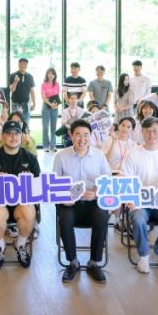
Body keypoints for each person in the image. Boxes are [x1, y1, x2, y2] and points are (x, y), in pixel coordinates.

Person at [54, 119, 112, 283]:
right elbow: (53, 185)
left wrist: (97, 194)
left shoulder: (99, 156)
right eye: (78, 134)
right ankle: (73, 262)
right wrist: (64, 197)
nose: (82, 139)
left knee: (102, 216)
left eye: (86, 135)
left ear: (90, 136)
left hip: (93, 201)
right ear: (71, 135)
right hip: (69, 203)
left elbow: (108, 182)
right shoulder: (61, 156)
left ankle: (94, 262)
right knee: (64, 219)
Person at [122, 117, 158, 274]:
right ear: (142, 132)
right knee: (138, 218)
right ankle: (144, 255)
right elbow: (125, 180)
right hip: (140, 202)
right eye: (147, 131)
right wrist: (130, 199)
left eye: (155, 131)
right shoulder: (132, 154)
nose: (151, 134)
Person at [0, 121, 41, 269]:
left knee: (29, 209)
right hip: (0, 204)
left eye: (16, 133)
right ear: (2, 136)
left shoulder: (30, 158)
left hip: (22, 204)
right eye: (9, 133)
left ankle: (20, 244)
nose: (13, 137)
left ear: (21, 136)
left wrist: (29, 180)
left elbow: (39, 187)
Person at [8, 58, 36, 125]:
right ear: (18, 64)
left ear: (27, 65)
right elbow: (12, 90)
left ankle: (25, 132)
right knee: (15, 123)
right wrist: (15, 81)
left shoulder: (30, 76)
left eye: (25, 64)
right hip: (15, 103)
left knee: (26, 123)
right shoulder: (12, 75)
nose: (23, 65)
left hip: (26, 104)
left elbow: (32, 91)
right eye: (21, 63)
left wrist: (34, 104)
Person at [41, 67, 61, 152]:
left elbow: (57, 96)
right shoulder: (43, 84)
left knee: (53, 127)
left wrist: (56, 105)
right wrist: (50, 104)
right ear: (47, 75)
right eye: (49, 73)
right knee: (45, 127)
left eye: (52, 73)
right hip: (46, 106)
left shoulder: (57, 84)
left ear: (54, 75)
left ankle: (53, 145)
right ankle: (46, 146)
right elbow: (43, 97)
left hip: (55, 107)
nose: (50, 75)